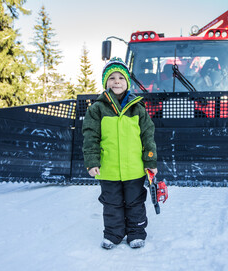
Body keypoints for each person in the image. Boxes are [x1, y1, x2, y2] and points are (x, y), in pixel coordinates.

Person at [82, 57, 158, 250]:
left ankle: (136, 233)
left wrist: (150, 161)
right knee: (112, 204)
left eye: (121, 78)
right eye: (112, 78)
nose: (117, 81)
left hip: (134, 169)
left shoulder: (138, 108)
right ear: (105, 83)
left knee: (135, 203)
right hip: (109, 169)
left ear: (127, 82)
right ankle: (113, 234)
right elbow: (90, 137)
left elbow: (148, 137)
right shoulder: (96, 109)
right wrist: (92, 162)